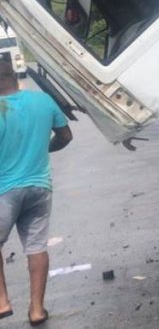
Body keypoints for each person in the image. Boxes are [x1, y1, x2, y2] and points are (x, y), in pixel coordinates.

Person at [0, 59, 72, 326]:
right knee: (36, 247)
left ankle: (3, 301)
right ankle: (37, 310)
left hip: (4, 190)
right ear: (15, 75)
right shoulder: (42, 101)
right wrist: (45, 149)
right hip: (40, 187)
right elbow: (65, 136)